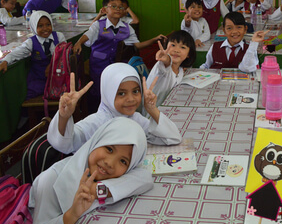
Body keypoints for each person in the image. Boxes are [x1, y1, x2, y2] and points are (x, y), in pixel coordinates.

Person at [30, 117, 153, 224]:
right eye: (109, 149)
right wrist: (71, 215)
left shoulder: (105, 177)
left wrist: (97, 190)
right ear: (97, 141)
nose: (110, 163)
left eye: (123, 161)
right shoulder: (50, 180)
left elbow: (145, 178)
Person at [47, 62, 182, 155]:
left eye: (135, 91)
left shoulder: (135, 119)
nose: (130, 99)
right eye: (121, 93)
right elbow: (65, 144)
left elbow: (173, 138)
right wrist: (64, 117)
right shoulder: (96, 122)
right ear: (108, 93)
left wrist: (152, 109)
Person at [73, 0, 164, 109]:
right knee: (98, 88)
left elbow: (138, 45)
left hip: (117, 65)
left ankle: (114, 109)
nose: (118, 9)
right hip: (98, 64)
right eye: (114, 6)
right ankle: (96, 111)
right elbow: (88, 34)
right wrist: (78, 42)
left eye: (121, 7)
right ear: (105, 10)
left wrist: (154, 39)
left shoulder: (127, 28)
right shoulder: (99, 25)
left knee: (115, 87)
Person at [0, 10, 66, 99]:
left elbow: (64, 53)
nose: (45, 28)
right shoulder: (31, 42)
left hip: (59, 78)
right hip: (40, 78)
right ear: (34, 27)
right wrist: (5, 61)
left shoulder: (58, 36)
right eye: (40, 26)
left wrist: (52, 65)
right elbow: (17, 52)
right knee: (27, 95)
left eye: (48, 24)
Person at [200, 12, 268, 72]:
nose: (235, 32)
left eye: (239, 27)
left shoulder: (250, 49)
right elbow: (206, 66)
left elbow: (248, 68)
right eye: (229, 28)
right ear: (224, 31)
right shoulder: (215, 47)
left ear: (245, 29)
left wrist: (254, 43)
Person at [147, 30, 196, 107]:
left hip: (169, 107)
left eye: (182, 47)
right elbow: (167, 62)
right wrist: (166, 58)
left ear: (188, 54)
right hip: (152, 113)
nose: (176, 50)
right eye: (173, 45)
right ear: (166, 47)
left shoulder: (180, 69)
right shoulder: (162, 66)